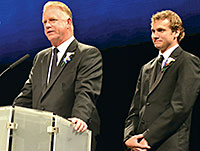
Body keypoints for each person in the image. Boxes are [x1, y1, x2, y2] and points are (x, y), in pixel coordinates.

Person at [13, 1, 102, 151]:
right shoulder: (41, 57)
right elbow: (27, 94)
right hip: (40, 137)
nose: (47, 25)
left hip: (71, 133)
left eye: (52, 20)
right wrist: (12, 115)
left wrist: (79, 117)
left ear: (68, 22)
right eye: (45, 22)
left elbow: (86, 91)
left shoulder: (87, 54)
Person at [124, 10, 200, 151]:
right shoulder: (146, 68)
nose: (155, 35)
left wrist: (147, 137)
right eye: (153, 31)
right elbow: (135, 109)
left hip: (168, 144)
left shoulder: (188, 61)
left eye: (161, 30)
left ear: (176, 32)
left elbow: (180, 107)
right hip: (139, 146)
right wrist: (128, 137)